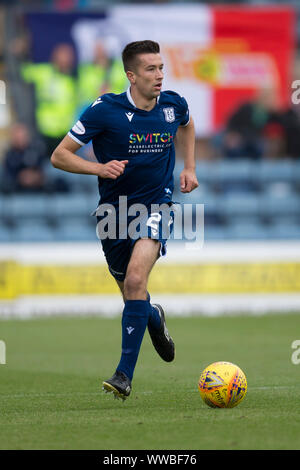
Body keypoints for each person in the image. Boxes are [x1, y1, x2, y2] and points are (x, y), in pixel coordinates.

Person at [51, 40, 198, 400]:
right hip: (113, 213)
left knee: (136, 279)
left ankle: (123, 376)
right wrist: (99, 167)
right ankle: (153, 316)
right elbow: (59, 156)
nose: (160, 75)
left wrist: (190, 167)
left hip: (157, 205)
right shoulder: (104, 110)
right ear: (131, 75)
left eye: (161, 68)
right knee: (132, 291)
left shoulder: (173, 104)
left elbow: (188, 125)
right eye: (151, 69)